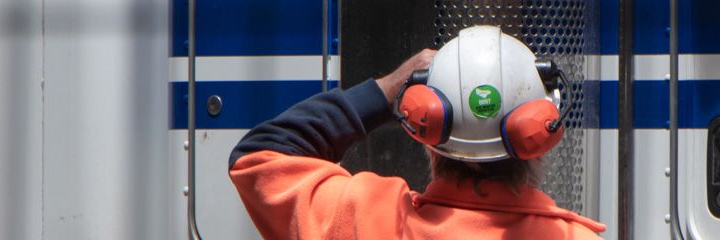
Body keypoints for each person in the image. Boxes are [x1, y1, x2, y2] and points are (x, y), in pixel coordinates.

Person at [229, 25, 605, 239]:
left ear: (427, 127)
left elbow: (260, 155)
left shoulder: (364, 218)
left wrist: (387, 89)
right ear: (540, 134)